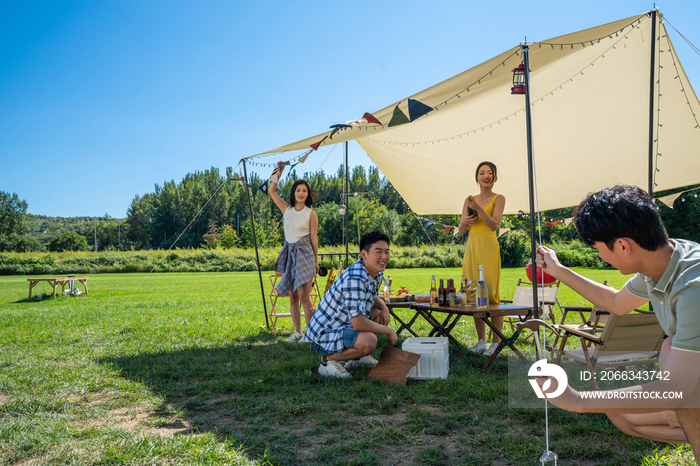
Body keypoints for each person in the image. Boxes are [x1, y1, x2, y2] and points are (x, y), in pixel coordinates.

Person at [535, 184, 700, 461]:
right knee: (621, 412)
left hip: (687, 387)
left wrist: (576, 400)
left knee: (675, 367)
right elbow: (616, 303)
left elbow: (676, 390)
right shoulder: (662, 261)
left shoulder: (693, 288)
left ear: (623, 245)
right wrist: (558, 270)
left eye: (599, 249)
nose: (600, 256)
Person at [302, 230, 397, 379]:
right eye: (378, 252)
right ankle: (327, 361)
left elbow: (370, 294)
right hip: (325, 333)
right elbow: (358, 323)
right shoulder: (355, 278)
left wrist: (383, 307)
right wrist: (388, 330)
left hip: (343, 325)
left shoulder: (375, 273)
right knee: (370, 340)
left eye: (387, 252)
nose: (384, 257)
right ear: (364, 254)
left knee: (377, 313)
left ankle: (355, 358)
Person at [458, 161, 506, 357]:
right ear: (477, 177)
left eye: (489, 173)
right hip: (471, 248)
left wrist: (478, 209)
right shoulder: (469, 199)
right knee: (472, 294)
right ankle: (481, 341)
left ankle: (496, 342)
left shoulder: (499, 198)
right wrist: (465, 222)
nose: (485, 176)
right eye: (481, 173)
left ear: (495, 178)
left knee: (491, 295)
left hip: (488, 248)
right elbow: (461, 230)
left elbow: (494, 225)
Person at [269, 165, 319, 343]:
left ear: (307, 194)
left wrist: (315, 262)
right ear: (294, 193)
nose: (301, 193)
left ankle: (310, 334)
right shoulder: (286, 209)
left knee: (305, 297)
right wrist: (277, 173)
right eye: (298, 190)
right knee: (293, 297)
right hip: (289, 254)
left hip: (304, 254)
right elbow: (272, 190)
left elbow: (314, 238)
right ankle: (297, 332)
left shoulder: (311, 214)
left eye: (304, 190)